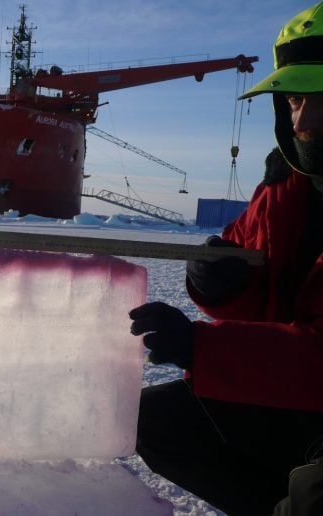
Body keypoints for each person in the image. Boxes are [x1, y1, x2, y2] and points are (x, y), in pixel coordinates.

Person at [128, 2, 323, 515]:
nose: (304, 121)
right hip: (299, 401)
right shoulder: (286, 186)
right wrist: (217, 281)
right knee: (152, 420)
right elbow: (257, 278)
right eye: (296, 99)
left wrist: (200, 347)